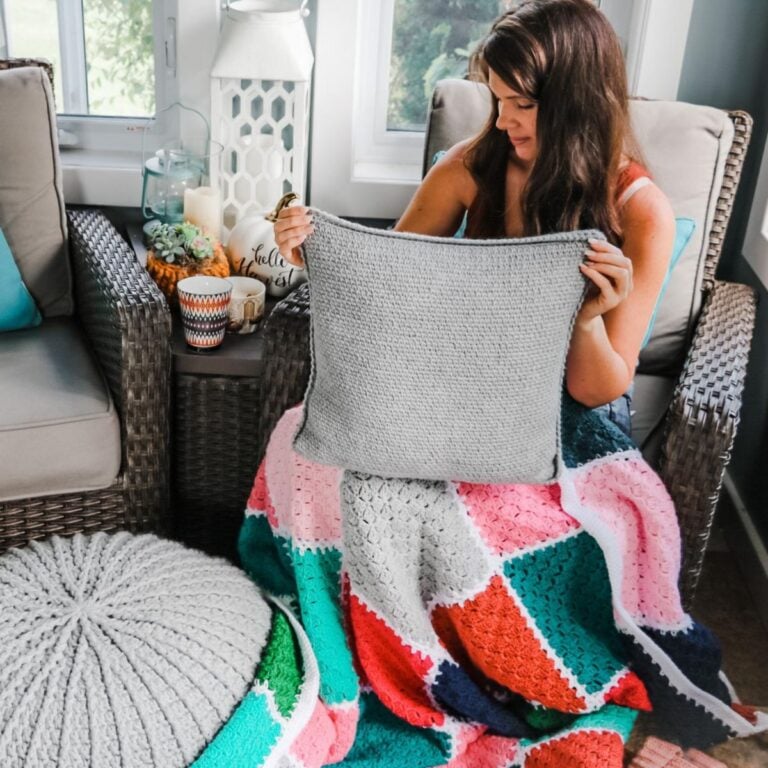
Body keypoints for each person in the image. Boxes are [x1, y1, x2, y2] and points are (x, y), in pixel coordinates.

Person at [274, 0, 676, 436]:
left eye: (522, 104)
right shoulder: (469, 166)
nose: (502, 121)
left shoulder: (643, 212)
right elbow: (386, 280)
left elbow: (594, 392)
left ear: (577, 104)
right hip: (466, 380)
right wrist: (313, 252)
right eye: (497, 99)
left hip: (571, 409)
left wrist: (586, 320)